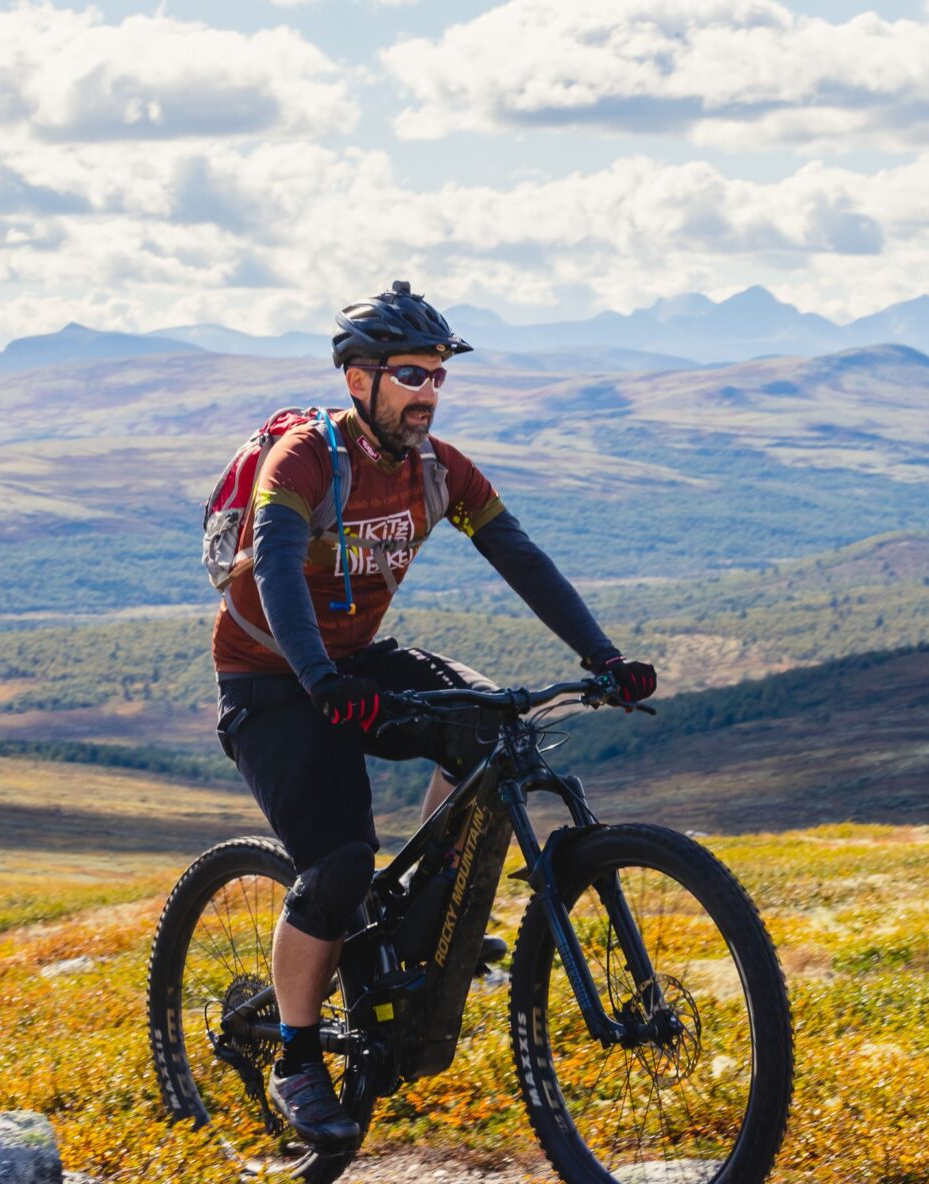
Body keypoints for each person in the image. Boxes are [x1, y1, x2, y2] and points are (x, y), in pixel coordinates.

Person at [211, 281, 657, 1147]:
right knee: (338, 866)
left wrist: (601, 656)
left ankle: (429, 917)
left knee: (486, 724)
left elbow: (516, 551)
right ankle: (298, 1058)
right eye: (412, 374)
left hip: (350, 662)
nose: (428, 393)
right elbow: (272, 568)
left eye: (439, 377)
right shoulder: (304, 459)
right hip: (270, 680)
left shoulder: (437, 468)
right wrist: (318, 679)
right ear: (359, 379)